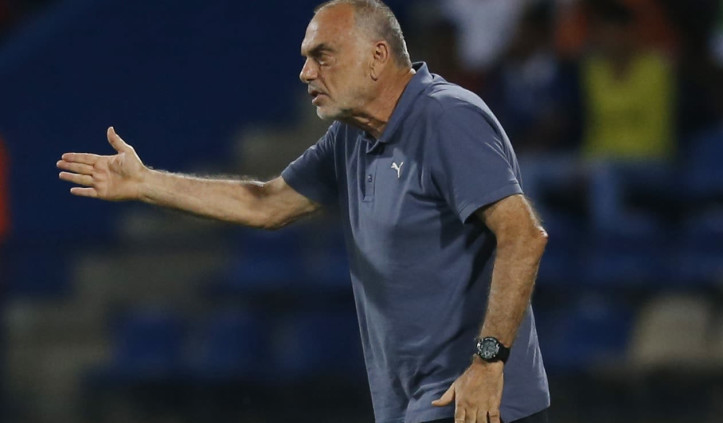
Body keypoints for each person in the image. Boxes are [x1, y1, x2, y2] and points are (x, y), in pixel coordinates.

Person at [57, 1, 550, 422]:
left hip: (479, 403)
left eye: (322, 56)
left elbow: (523, 235)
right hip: (416, 406)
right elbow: (267, 203)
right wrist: (146, 183)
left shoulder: (447, 117)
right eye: (306, 59)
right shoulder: (350, 137)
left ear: (377, 57)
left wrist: (489, 363)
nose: (306, 72)